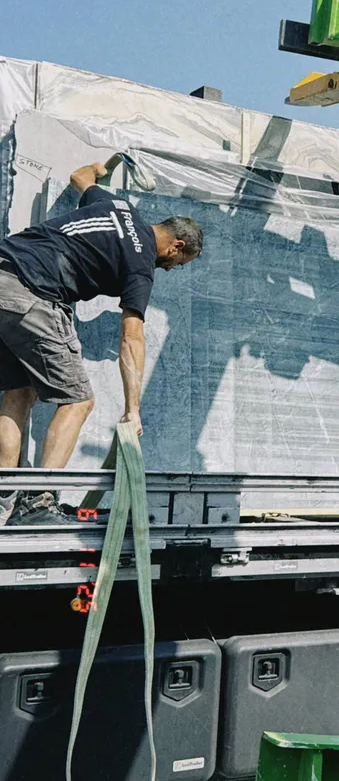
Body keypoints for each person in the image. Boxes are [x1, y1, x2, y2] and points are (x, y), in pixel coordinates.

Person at [0, 160, 203, 525]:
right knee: (78, 400)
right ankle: (38, 504)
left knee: (19, 393)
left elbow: (80, 176)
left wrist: (101, 165)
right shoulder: (140, 260)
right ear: (176, 246)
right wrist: (133, 408)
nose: (172, 269)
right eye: (180, 262)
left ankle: (3, 504)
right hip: (35, 291)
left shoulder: (117, 207)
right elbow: (132, 336)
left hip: (4, 271)